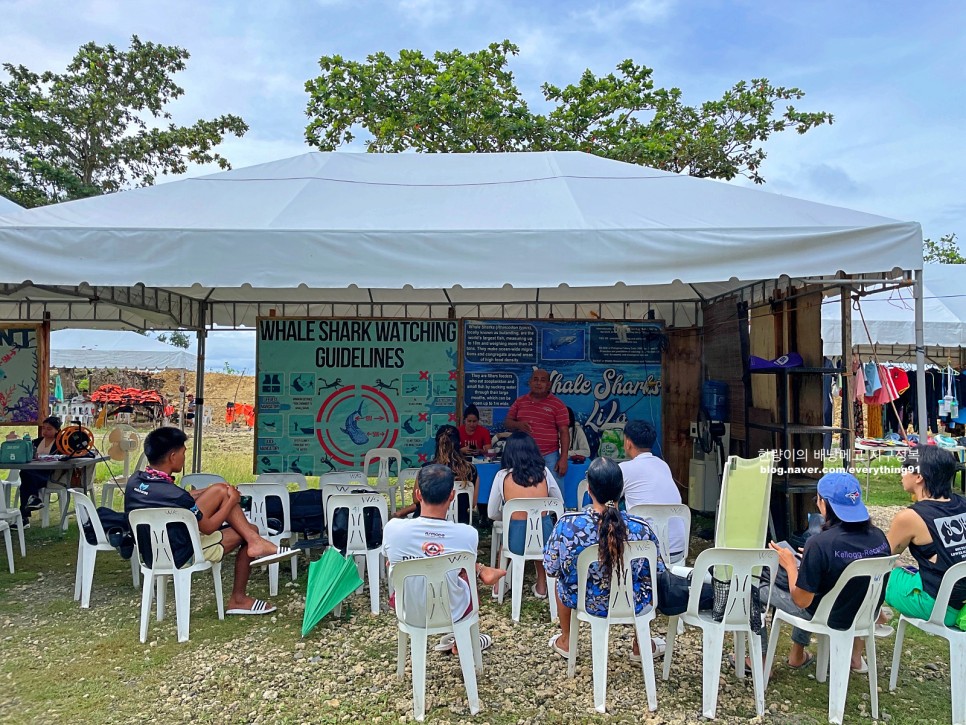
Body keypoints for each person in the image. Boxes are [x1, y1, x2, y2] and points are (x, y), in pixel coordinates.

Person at [124, 426, 296, 616]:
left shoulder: (136, 481)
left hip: (151, 551)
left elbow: (172, 497)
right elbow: (208, 527)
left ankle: (254, 540)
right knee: (249, 529)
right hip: (181, 553)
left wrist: (207, 492)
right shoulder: (176, 496)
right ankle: (239, 596)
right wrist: (232, 501)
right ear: (173, 456)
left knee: (221, 490)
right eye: (183, 453)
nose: (184, 457)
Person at [764, 472, 890, 672]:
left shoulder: (820, 543)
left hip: (826, 615)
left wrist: (789, 565)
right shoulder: (879, 536)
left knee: (754, 585)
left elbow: (802, 601)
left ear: (823, 503)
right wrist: (813, 561)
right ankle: (796, 655)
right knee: (812, 578)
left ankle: (760, 661)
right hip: (862, 614)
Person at [544, 457, 664, 660]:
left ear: (589, 490)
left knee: (561, 581)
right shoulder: (641, 527)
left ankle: (566, 640)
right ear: (621, 489)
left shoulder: (567, 525)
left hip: (584, 602)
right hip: (631, 601)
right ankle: (640, 644)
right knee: (647, 582)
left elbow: (551, 568)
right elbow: (655, 572)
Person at [383, 464, 506, 654]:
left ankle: (479, 571)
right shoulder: (467, 534)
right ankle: (463, 635)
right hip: (453, 610)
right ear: (452, 495)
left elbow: (389, 560)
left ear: (417, 495)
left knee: (397, 564)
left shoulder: (393, 529)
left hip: (409, 609)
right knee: (463, 572)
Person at [883, 445, 966, 628]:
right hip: (961, 600)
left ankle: (861, 639)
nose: (901, 472)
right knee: (902, 567)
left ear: (919, 477)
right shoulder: (962, 503)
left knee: (871, 572)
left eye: (906, 467)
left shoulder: (910, 517)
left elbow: (881, 557)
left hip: (938, 606)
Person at [487, 432, 564, 598]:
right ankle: (542, 586)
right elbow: (559, 503)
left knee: (504, 547)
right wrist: (542, 513)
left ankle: (499, 586)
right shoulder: (543, 473)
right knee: (539, 543)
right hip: (544, 536)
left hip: (516, 539)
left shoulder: (502, 476)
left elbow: (491, 512)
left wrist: (509, 516)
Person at [619, 420, 685, 562]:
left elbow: (609, 502)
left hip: (645, 551)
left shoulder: (625, 469)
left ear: (628, 443)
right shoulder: (663, 465)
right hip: (677, 550)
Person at [395, 425, 479, 522]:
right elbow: (472, 503)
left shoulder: (426, 469)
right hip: (459, 522)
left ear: (437, 444)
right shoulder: (471, 470)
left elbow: (416, 499)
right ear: (459, 444)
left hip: (426, 522)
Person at [504, 368, 570, 477]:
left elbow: (564, 432)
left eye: (542, 380)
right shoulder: (520, 402)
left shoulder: (558, 405)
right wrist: (518, 425)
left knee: (554, 492)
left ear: (549, 385)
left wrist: (563, 458)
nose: (538, 383)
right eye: (535, 379)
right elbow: (507, 423)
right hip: (522, 456)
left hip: (549, 456)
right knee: (523, 491)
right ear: (530, 383)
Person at [17, 415, 65, 527]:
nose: (45, 431)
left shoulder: (61, 444)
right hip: (34, 472)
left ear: (57, 430)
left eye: (49, 429)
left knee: (25, 480)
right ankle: (33, 501)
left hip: (50, 474)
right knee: (25, 475)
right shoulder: (36, 442)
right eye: (44, 428)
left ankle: (24, 517)